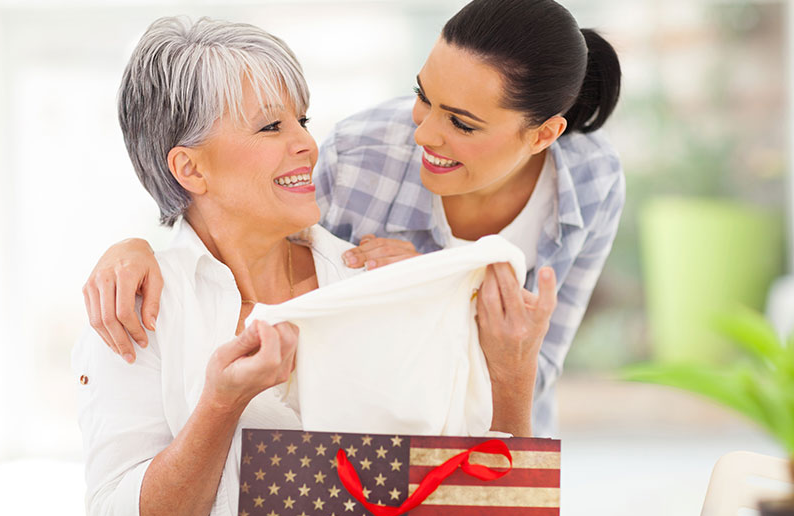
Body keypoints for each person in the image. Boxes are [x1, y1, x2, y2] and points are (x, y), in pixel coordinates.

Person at [75, 15, 547, 516]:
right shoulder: (136, 307)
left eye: (301, 120)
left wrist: (512, 375)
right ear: (190, 168)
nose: (308, 144)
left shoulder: (378, 285)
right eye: (271, 127)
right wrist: (219, 409)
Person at [82, 0, 623, 436]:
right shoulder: (363, 155)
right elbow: (249, 224)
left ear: (544, 134)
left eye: (460, 122)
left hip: (504, 431)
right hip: (365, 457)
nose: (424, 133)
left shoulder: (592, 185)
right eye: (422, 95)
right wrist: (139, 244)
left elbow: (536, 369)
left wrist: (437, 291)